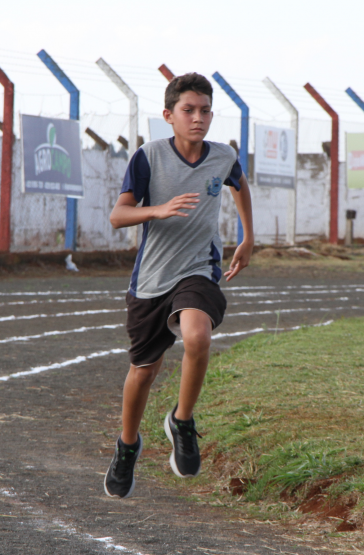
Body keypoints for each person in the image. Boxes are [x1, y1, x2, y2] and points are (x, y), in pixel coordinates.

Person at [104, 72, 254, 499]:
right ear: (169, 115)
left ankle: (182, 421)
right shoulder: (148, 156)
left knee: (197, 334)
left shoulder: (222, 156)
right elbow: (118, 215)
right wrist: (159, 209)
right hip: (152, 278)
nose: (198, 118)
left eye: (205, 111)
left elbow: (239, 185)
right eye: (188, 110)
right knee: (144, 371)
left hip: (199, 269)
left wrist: (248, 236)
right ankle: (128, 445)